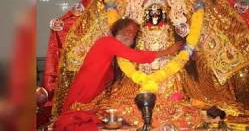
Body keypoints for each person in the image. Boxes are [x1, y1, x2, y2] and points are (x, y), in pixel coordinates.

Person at [54, 18, 183, 130]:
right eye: (127, 31)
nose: (130, 35)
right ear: (117, 30)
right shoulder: (107, 42)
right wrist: (168, 51)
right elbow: (137, 56)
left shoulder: (116, 54)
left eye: (133, 33)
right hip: (85, 88)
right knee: (73, 119)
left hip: (92, 94)